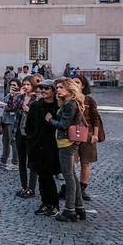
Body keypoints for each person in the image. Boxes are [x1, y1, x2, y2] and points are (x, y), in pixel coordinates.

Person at [45, 78, 86, 222]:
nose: (58, 90)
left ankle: (69, 210)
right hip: (66, 142)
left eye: (61, 87)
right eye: (57, 87)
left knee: (69, 177)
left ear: (69, 89)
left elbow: (64, 124)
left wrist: (50, 120)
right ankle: (79, 208)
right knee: (72, 176)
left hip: (66, 142)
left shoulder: (71, 104)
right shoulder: (69, 103)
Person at [28, 80, 60, 217]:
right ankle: (45, 202)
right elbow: (29, 124)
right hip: (37, 145)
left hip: (52, 146)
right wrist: (32, 139)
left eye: (46, 89)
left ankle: (53, 204)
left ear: (53, 91)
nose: (43, 91)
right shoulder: (36, 105)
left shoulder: (58, 106)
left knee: (48, 176)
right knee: (41, 176)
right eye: (41, 88)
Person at [76, 75, 103, 202]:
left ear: (83, 85)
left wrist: (95, 135)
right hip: (72, 135)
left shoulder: (89, 100)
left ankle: (82, 188)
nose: (75, 84)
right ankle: (72, 186)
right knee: (70, 163)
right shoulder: (67, 99)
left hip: (88, 133)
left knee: (85, 162)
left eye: (77, 82)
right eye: (73, 82)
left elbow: (95, 118)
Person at [13, 78, 37, 198]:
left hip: (30, 133)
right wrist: (19, 96)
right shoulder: (20, 97)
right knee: (21, 160)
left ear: (33, 85)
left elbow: (38, 115)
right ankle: (24, 186)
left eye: (28, 84)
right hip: (19, 131)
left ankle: (31, 188)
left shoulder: (36, 98)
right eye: (24, 84)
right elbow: (12, 107)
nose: (26, 86)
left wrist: (29, 110)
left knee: (32, 161)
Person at [0, 81, 20, 170]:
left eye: (14, 85)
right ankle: (3, 160)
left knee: (13, 142)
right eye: (11, 85)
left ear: (18, 86)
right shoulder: (9, 95)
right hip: (5, 120)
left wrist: (6, 106)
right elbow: (1, 103)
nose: (12, 87)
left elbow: (13, 108)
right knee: (5, 141)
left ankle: (15, 163)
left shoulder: (18, 96)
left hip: (13, 121)